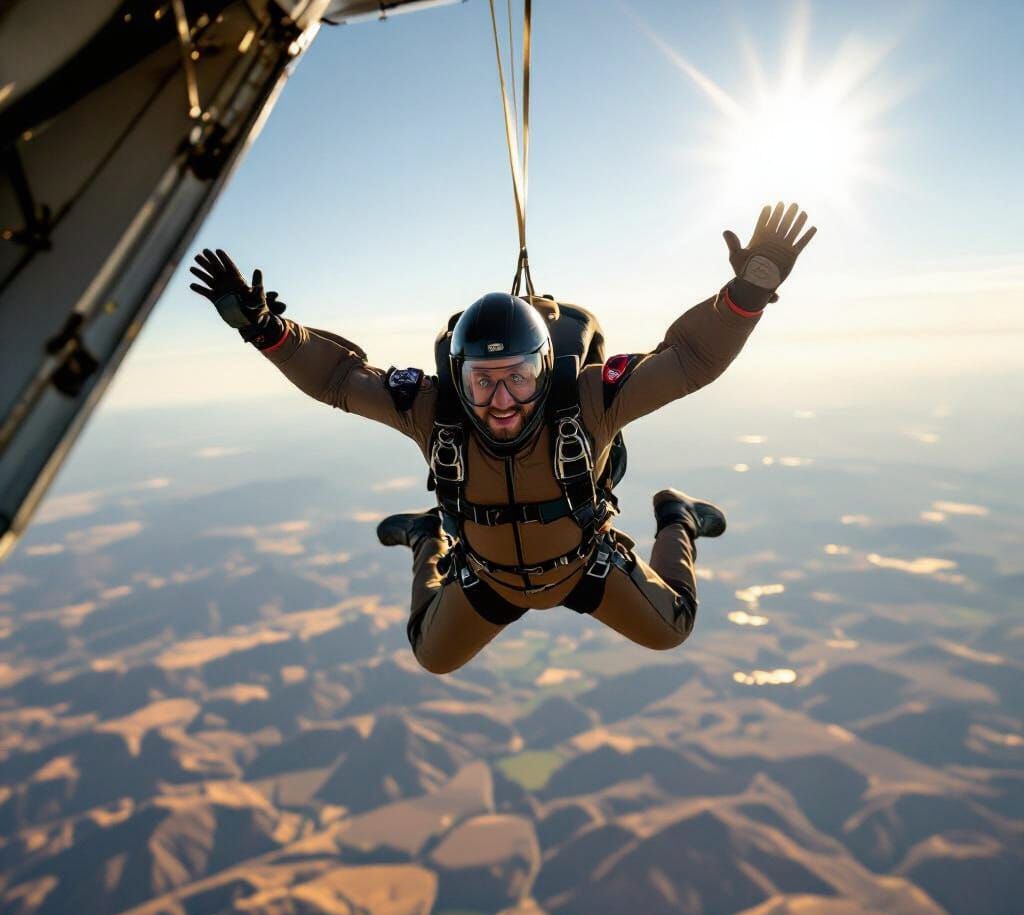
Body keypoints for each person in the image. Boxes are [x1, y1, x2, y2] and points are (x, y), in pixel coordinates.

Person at [190, 201, 816, 673]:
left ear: (544, 369)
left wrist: (745, 296)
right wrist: (268, 332)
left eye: (516, 379)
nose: (500, 403)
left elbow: (688, 361)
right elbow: (339, 379)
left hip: (583, 568)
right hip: (488, 574)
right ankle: (427, 538)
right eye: (482, 382)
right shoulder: (434, 412)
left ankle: (676, 517)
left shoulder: (589, 402)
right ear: (456, 377)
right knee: (431, 656)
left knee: (673, 628)